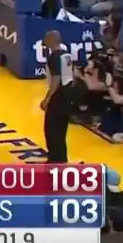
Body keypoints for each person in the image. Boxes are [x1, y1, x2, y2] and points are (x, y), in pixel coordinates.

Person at [39, 30, 74, 163]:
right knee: (61, 129)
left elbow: (56, 79)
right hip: (68, 94)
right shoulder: (67, 55)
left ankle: (55, 159)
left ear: (50, 40)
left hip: (58, 95)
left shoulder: (54, 56)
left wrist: (47, 98)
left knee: (52, 128)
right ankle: (61, 157)